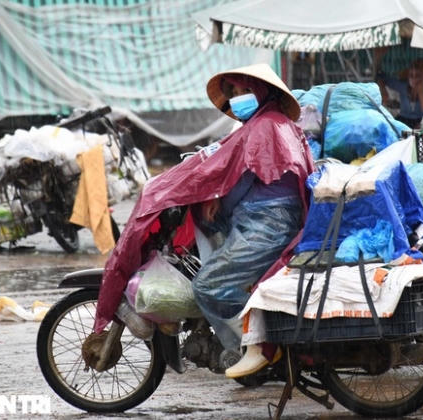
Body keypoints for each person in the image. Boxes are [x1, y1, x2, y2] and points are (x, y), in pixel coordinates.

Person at [92, 64, 314, 373]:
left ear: (261, 92)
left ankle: (259, 347)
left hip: (268, 222)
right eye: (234, 93)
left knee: (208, 286)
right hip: (258, 216)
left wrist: (204, 191)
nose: (237, 98)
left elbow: (236, 171)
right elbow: (232, 165)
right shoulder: (266, 123)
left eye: (244, 91)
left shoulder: (266, 126)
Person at [381, 59, 423, 128]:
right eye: (411, 75)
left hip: (421, 121)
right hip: (403, 119)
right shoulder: (403, 86)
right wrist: (382, 89)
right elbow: (383, 78)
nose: (413, 79)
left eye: (417, 76)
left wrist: (421, 93)